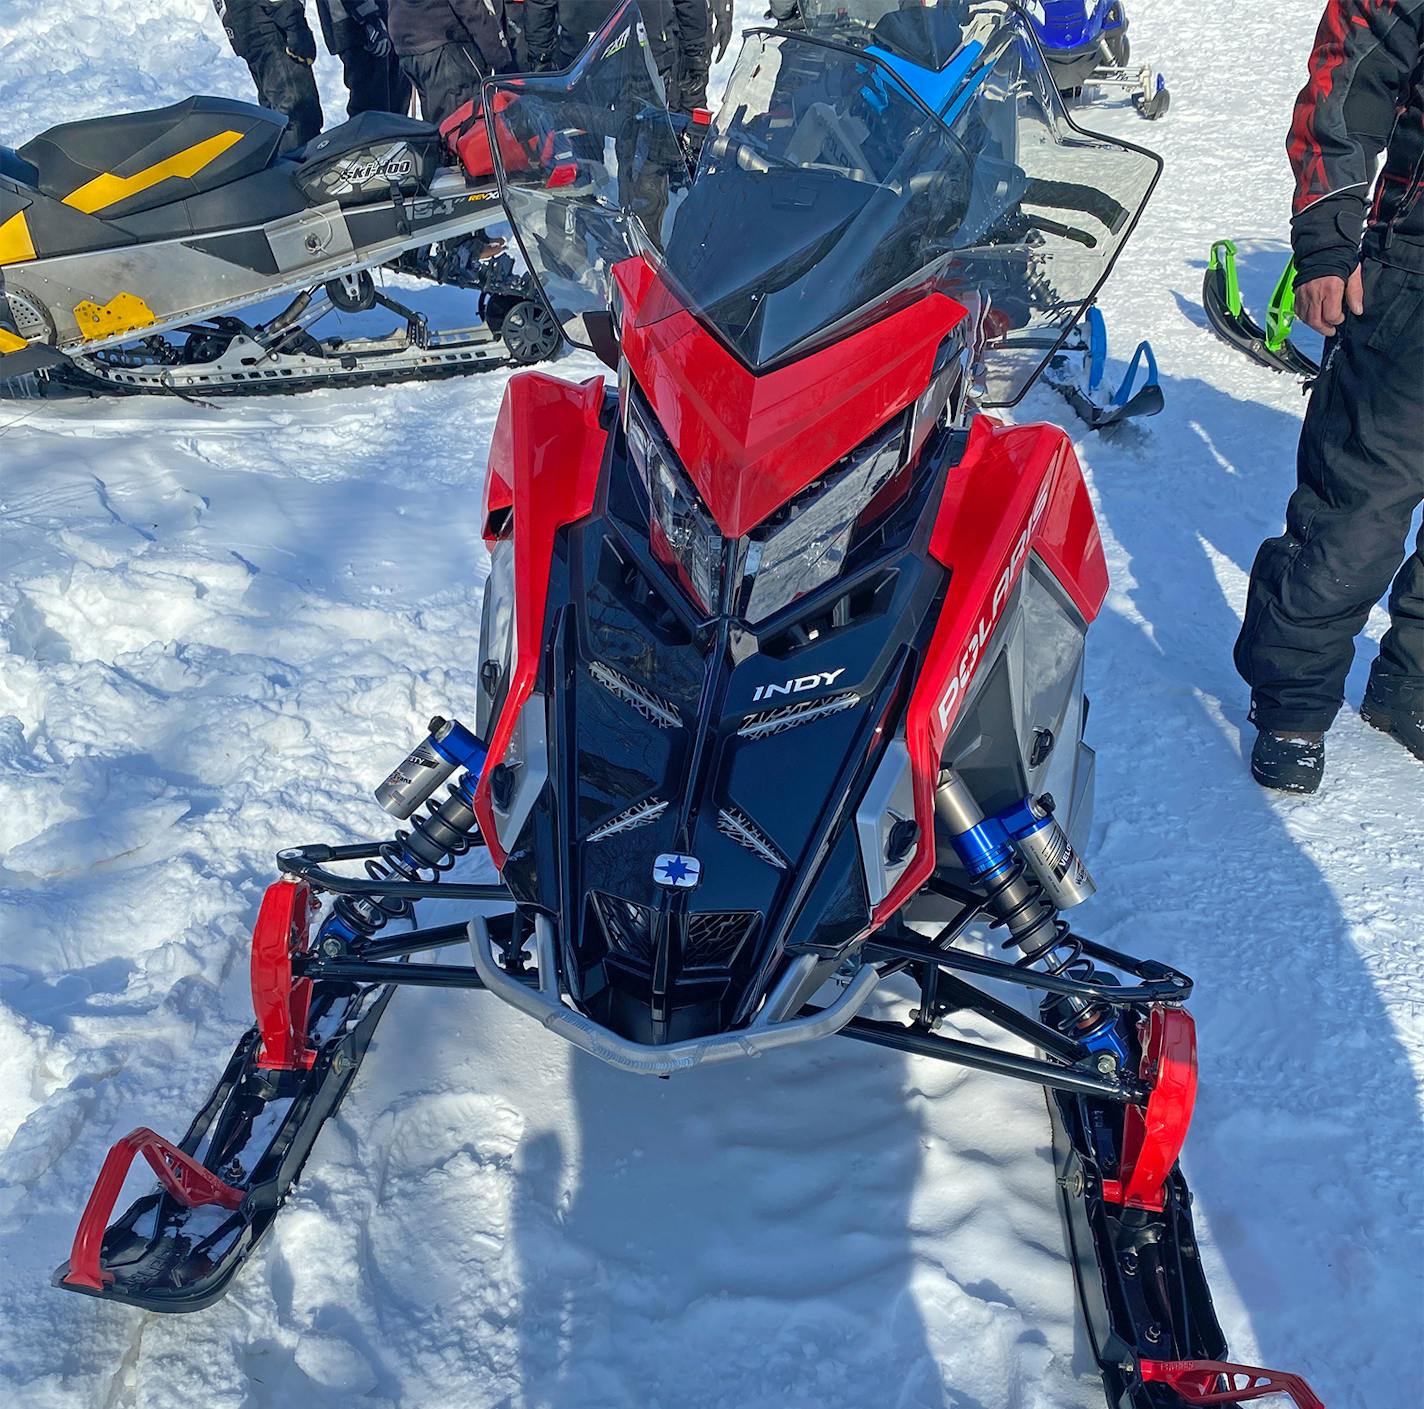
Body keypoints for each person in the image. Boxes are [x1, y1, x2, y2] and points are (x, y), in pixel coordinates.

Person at [1234, 0, 1424, 793]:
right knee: (1355, 512)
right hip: (1414, 277)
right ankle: (1293, 706)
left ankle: (1410, 685)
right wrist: (1325, 242)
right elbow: (1349, 72)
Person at [525, 0, 710, 113]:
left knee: (646, 150)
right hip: (583, 57)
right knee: (582, 156)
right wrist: (541, 59)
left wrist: (695, 53)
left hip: (644, 51)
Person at [215, 0, 325, 151]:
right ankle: (303, 169)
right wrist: (295, 24)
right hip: (269, 23)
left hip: (244, 25)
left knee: (275, 116)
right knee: (297, 112)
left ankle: (284, 165)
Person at [386, 0, 514, 125]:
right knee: (460, 128)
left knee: (438, 129)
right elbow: (468, 5)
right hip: (446, 42)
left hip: (410, 37)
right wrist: (497, 51)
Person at [314, 0, 414, 117]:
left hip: (388, 20)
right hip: (358, 26)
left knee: (395, 113)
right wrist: (370, 19)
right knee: (372, 111)